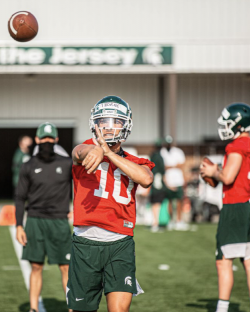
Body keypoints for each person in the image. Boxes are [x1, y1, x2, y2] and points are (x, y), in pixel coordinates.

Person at [67, 95, 154, 312]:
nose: (109, 127)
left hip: (120, 243)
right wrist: (96, 150)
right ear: (94, 124)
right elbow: (78, 152)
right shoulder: (86, 148)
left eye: (116, 121)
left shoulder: (135, 162)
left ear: (126, 125)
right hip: (86, 242)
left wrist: (109, 154)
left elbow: (146, 179)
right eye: (104, 121)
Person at [200, 103, 250, 312]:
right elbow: (237, 174)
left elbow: (228, 177)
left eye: (229, 122)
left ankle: (222, 308)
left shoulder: (237, 145)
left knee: (224, 261)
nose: (225, 126)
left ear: (239, 124)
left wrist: (213, 171)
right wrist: (218, 171)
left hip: (236, 206)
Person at [15, 122, 73, 312]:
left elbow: (80, 189)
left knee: (66, 268)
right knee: (36, 267)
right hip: (35, 221)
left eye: (51, 138)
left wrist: (76, 210)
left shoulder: (66, 163)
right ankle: (33, 308)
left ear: (56, 139)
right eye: (44, 138)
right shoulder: (28, 165)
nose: (47, 141)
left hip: (60, 222)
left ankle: (72, 308)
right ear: (37, 139)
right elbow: (20, 197)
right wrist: (18, 226)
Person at [161, 135, 187, 230]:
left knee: (179, 201)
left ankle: (179, 220)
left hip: (178, 180)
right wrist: (174, 166)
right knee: (170, 201)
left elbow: (182, 164)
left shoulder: (178, 151)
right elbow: (163, 166)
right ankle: (171, 220)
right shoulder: (162, 152)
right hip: (169, 181)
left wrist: (170, 166)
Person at [149, 139, 166, 232]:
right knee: (157, 204)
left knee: (154, 203)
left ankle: (154, 222)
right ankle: (155, 223)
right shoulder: (159, 157)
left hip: (152, 180)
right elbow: (162, 171)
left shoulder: (152, 156)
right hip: (158, 182)